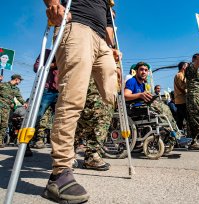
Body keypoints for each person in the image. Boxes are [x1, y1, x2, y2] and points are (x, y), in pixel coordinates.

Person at [43, 0, 119, 203]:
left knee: (111, 96)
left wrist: (111, 45)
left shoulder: (109, 4)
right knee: (72, 99)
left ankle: (88, 146)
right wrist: (54, 5)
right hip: (76, 27)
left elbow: (109, 27)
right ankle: (59, 173)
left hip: (101, 42)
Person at [124, 62, 180, 137]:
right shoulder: (132, 81)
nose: (144, 72)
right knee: (163, 109)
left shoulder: (143, 84)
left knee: (165, 109)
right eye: (141, 69)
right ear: (136, 71)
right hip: (134, 108)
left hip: (142, 106)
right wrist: (140, 95)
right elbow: (125, 95)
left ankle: (173, 133)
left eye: (146, 70)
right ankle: (174, 134)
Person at [33, 49, 59, 149]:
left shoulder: (69, 52)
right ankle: (28, 142)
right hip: (47, 89)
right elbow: (36, 68)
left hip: (62, 90)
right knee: (38, 114)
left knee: (63, 118)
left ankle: (59, 145)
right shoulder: (47, 52)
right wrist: (55, 64)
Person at [0, 74, 27, 148]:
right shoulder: (3, 84)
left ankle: (0, 141)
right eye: (20, 80)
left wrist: (24, 103)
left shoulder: (16, 89)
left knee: (4, 125)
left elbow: (19, 97)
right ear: (16, 79)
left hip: (6, 109)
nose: (20, 82)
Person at [174, 61, 188, 130]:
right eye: (187, 66)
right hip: (182, 101)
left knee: (179, 121)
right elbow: (182, 87)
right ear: (183, 67)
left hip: (179, 101)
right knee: (188, 119)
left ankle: (178, 137)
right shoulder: (180, 75)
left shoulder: (180, 75)